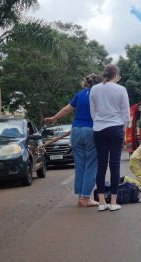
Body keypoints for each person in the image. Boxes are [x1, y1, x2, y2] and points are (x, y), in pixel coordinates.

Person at [44, 74, 103, 207]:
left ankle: (81, 196)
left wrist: (54, 117)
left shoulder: (80, 94)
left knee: (80, 165)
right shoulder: (99, 96)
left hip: (76, 131)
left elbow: (67, 109)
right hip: (91, 131)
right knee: (91, 165)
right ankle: (86, 197)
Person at [90, 64, 130, 212]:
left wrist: (99, 122)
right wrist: (123, 129)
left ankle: (101, 202)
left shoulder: (94, 89)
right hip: (116, 128)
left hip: (99, 129)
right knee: (115, 165)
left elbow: (92, 112)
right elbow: (125, 113)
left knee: (101, 165)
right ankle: (113, 201)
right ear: (116, 74)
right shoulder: (121, 89)